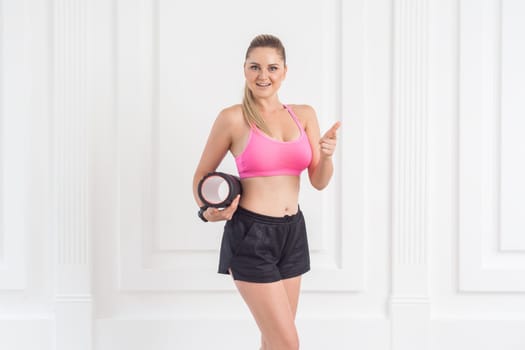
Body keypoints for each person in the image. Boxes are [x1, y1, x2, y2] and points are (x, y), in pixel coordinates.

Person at [192, 34, 340, 350]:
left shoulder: (304, 115)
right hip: (251, 236)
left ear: (284, 71)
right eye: (255, 67)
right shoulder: (232, 118)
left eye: (272, 68)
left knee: (274, 342)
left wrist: (326, 156)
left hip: (293, 233)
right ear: (244, 69)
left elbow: (319, 180)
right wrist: (209, 212)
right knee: (287, 344)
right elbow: (201, 178)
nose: (263, 76)